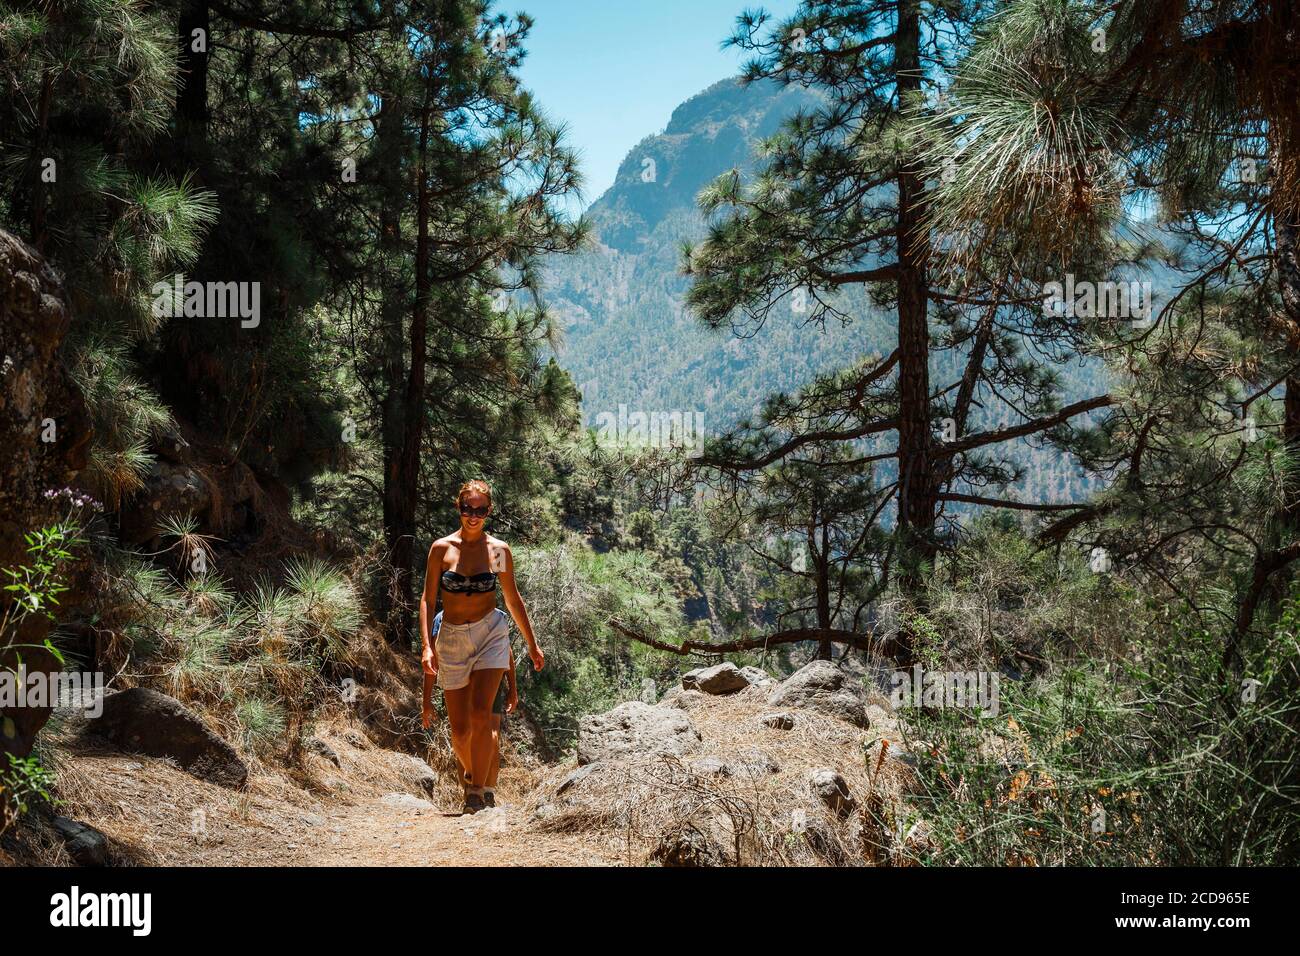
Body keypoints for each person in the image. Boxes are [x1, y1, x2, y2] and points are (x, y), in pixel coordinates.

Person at [420, 480, 543, 814]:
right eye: (467, 508)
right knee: (459, 730)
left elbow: (512, 599)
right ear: (458, 507)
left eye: (480, 510)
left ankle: (476, 792)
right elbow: (429, 600)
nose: (473, 516)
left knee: (480, 713)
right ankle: (474, 774)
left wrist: (532, 645)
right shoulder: (441, 550)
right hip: (452, 638)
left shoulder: (498, 552)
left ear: (489, 511)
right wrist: (426, 646)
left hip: (491, 633)